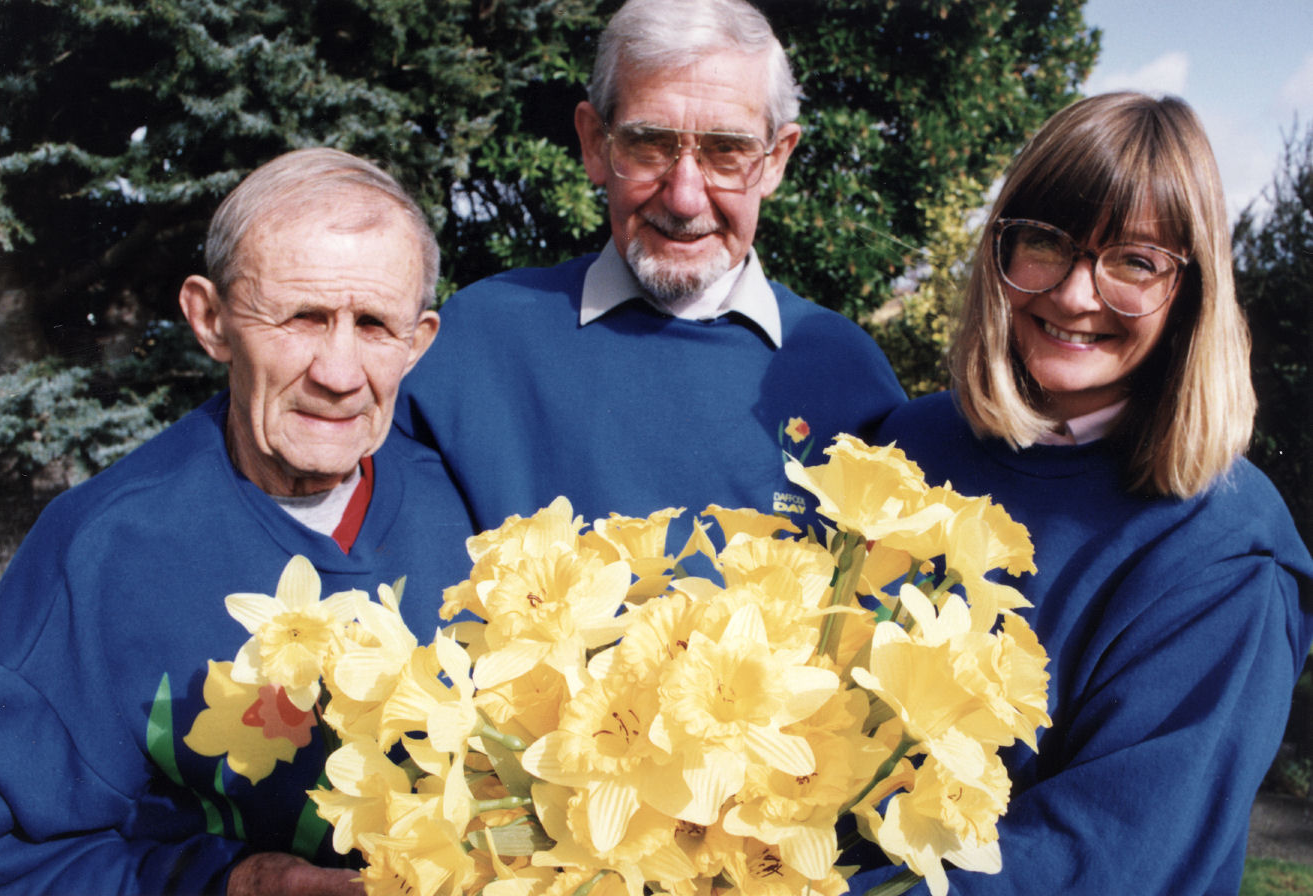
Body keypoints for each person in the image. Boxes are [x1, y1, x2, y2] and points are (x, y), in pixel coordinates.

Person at [850, 93, 1313, 894]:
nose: (1073, 294)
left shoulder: (1226, 550)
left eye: (1134, 262)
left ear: (1190, 294)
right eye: (1044, 244)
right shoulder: (909, 445)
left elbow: (1100, 858)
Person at [0, 148, 474, 895]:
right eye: (302, 319)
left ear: (419, 342)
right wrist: (228, 884)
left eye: (374, 325)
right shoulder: (101, 550)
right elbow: (8, 858)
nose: (339, 374)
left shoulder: (475, 513)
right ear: (209, 319)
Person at [394, 0, 905, 538]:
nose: (684, 198)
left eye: (726, 151)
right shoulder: (475, 345)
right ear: (595, 143)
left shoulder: (844, 372)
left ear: (775, 160)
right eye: (650, 145)